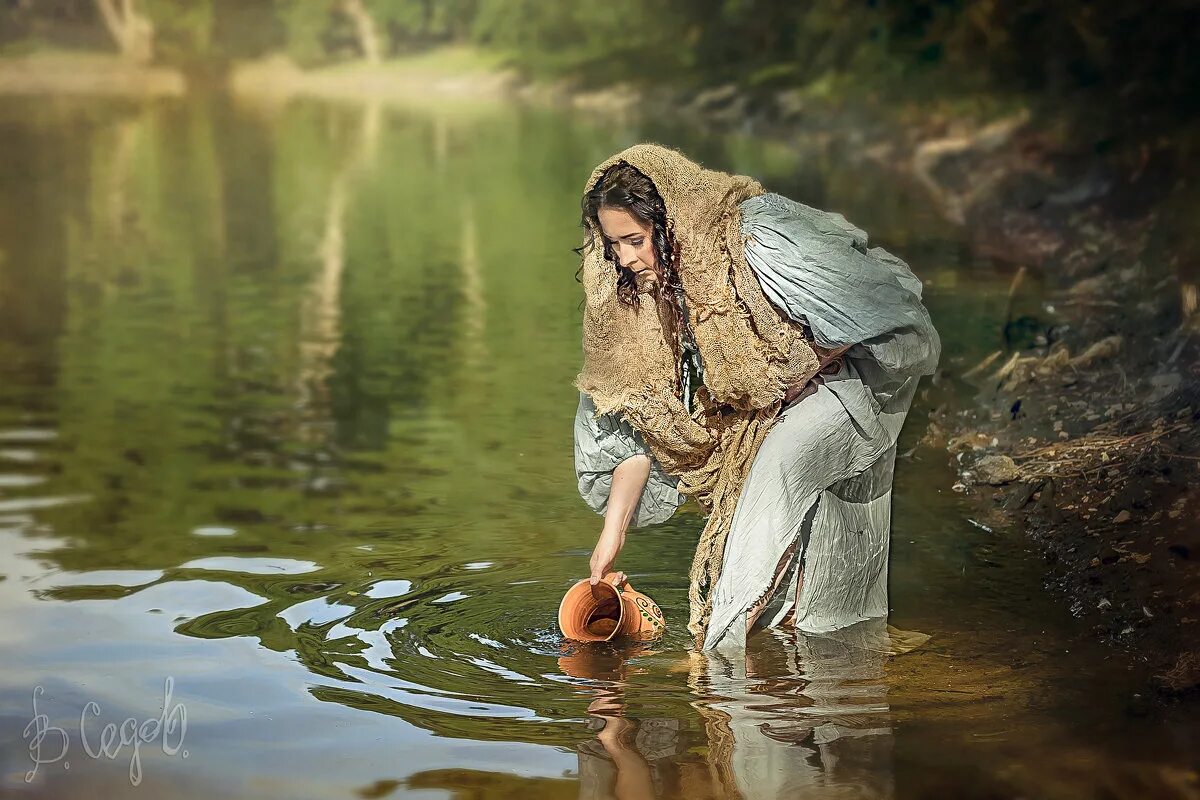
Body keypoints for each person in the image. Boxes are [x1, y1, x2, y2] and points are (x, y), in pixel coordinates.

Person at [572, 143, 940, 653]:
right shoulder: (631, 308)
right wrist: (611, 538)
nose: (625, 259)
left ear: (670, 225)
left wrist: (798, 369)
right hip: (770, 403)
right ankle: (828, 664)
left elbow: (882, 309)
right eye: (614, 245)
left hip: (850, 381)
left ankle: (719, 665)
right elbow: (637, 431)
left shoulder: (755, 240)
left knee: (774, 480)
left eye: (635, 241)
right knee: (799, 569)